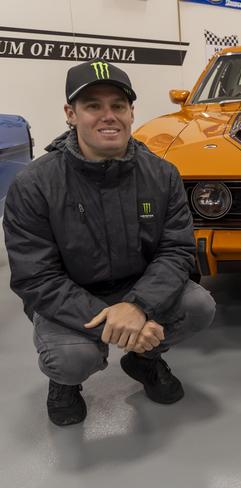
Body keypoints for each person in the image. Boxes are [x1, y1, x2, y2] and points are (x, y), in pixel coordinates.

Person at [3, 60, 216, 426]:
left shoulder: (162, 175)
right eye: (92, 106)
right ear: (71, 114)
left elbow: (176, 250)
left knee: (198, 305)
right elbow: (36, 278)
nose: (108, 116)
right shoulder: (34, 184)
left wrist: (137, 306)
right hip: (70, 297)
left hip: (137, 289)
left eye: (118, 105)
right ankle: (64, 383)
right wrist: (110, 323)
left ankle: (143, 360)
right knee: (71, 359)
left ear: (132, 112)